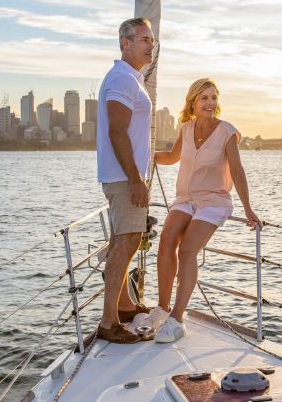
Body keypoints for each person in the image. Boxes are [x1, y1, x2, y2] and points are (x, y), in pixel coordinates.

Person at [151, 78, 261, 343]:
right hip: (186, 198)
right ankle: (162, 308)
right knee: (166, 240)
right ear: (193, 102)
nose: (210, 103)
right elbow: (172, 156)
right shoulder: (186, 128)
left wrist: (248, 209)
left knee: (187, 250)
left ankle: (177, 319)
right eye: (204, 98)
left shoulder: (227, 132)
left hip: (213, 201)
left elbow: (237, 170)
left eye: (213, 98)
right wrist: (145, 154)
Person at [96, 17, 155, 343]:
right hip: (123, 176)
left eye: (151, 39)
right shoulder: (122, 78)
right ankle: (108, 323)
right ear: (125, 44)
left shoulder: (131, 78)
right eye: (144, 39)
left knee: (123, 241)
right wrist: (135, 179)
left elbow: (129, 132)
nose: (151, 44)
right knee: (129, 241)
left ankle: (122, 305)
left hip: (124, 173)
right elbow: (116, 130)